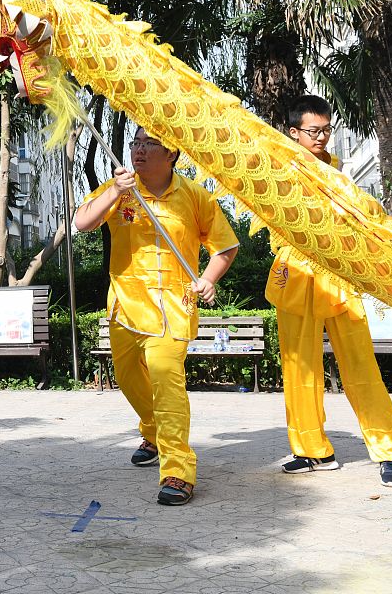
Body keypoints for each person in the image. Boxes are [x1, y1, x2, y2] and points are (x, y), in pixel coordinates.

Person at [74, 126, 238, 506]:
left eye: (150, 144)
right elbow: (83, 222)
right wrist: (115, 191)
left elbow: (225, 247)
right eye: (136, 143)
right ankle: (152, 430)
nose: (139, 150)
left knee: (167, 381)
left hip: (174, 307)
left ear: (173, 153)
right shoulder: (117, 188)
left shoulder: (195, 196)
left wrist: (209, 279)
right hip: (127, 305)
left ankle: (178, 471)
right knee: (128, 378)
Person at [267, 95, 392, 487]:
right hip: (294, 273)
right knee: (299, 369)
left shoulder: (340, 176)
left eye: (327, 130)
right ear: (293, 133)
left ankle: (389, 452)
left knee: (360, 367)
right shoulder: (276, 169)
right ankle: (311, 449)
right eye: (314, 131)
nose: (323, 138)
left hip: (339, 275)